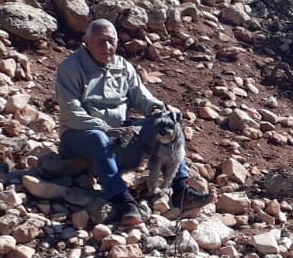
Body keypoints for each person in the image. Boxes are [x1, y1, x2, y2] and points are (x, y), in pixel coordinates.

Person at [56, 19, 212, 227]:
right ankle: (122, 200)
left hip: (122, 134)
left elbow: (142, 97)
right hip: (81, 135)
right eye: (100, 41)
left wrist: (155, 109)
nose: (107, 47)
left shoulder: (122, 66)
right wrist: (108, 129)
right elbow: (71, 112)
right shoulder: (71, 68)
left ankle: (181, 188)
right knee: (98, 137)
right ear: (87, 41)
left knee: (167, 122)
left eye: (111, 41)